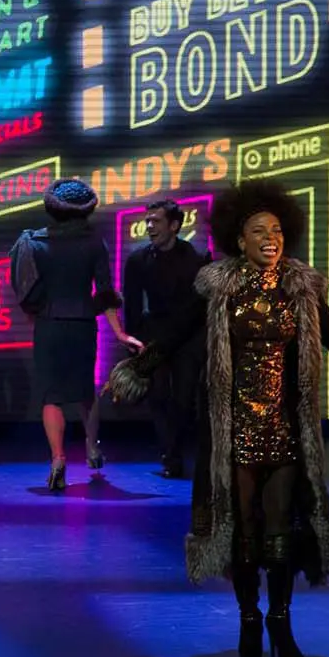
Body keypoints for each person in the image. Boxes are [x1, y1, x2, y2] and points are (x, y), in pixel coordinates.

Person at [108, 180, 329, 657]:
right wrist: (136, 371)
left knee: (280, 531)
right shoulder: (218, 287)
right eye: (259, 230)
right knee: (242, 530)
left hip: (287, 427)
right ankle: (249, 622)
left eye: (278, 230)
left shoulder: (300, 288)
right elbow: (176, 331)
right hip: (233, 428)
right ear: (237, 240)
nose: (271, 238)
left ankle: (280, 622)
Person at [9, 179, 135, 492]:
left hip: (49, 325)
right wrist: (119, 332)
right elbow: (105, 293)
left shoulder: (34, 241)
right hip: (82, 325)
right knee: (84, 391)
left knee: (51, 396)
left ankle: (57, 457)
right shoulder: (95, 242)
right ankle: (92, 447)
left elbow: (28, 291)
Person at [114, 200, 209, 478]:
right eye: (148, 221)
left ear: (174, 226)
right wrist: (134, 345)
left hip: (188, 338)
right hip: (154, 336)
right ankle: (170, 455)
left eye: (156, 221)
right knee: (156, 396)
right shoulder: (138, 260)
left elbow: (196, 310)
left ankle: (175, 451)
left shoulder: (196, 260)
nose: (149, 226)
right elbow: (132, 305)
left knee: (183, 398)